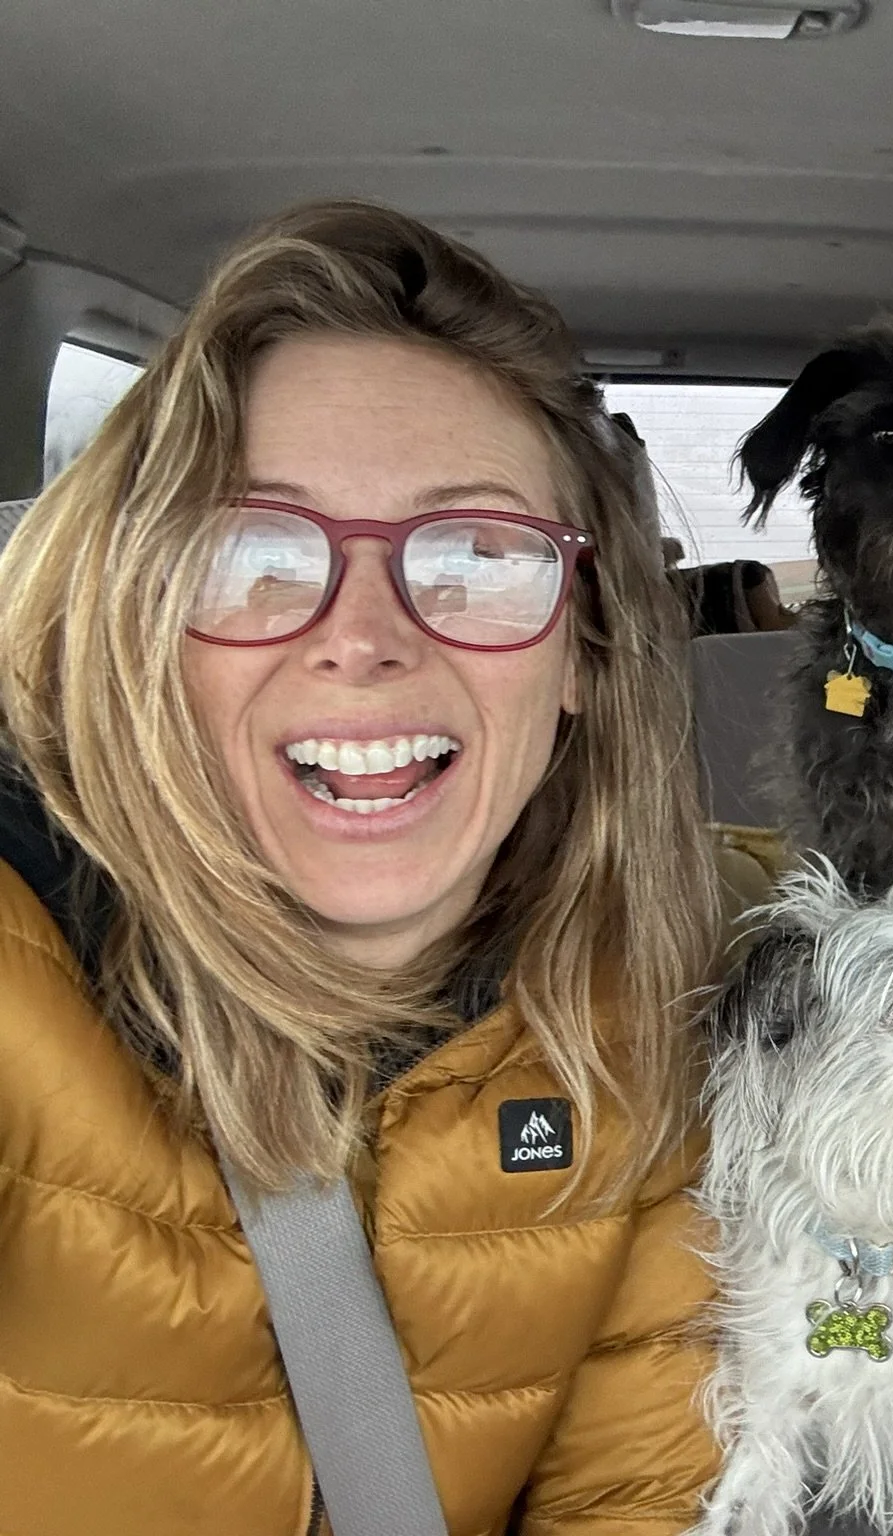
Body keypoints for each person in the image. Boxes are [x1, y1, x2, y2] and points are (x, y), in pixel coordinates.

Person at [0, 201, 730, 1532]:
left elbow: (640, 1495)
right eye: (256, 550)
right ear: (141, 618)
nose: (367, 636)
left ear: (582, 653)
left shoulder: (662, 1004)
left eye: (477, 556)